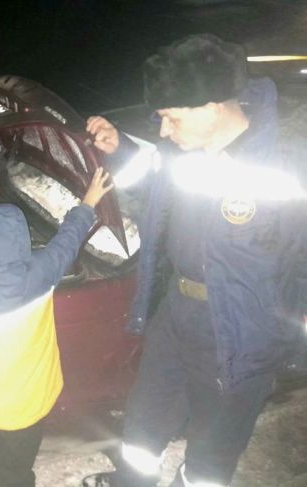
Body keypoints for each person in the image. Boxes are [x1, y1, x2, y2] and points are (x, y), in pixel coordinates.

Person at [82, 34, 307, 487]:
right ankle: (133, 481)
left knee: (212, 448)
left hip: (240, 332)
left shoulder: (288, 160)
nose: (163, 130)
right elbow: (153, 183)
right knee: (144, 420)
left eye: (171, 117)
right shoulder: (182, 154)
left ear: (211, 106)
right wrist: (120, 148)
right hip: (178, 313)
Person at [0, 168, 114, 486]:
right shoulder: (41, 273)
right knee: (17, 472)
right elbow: (68, 240)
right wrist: (89, 200)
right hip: (29, 404)